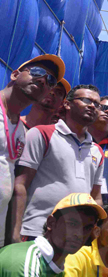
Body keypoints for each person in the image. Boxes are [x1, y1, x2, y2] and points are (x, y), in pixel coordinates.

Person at [10, 84, 105, 243]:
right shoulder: (41, 134)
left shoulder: (97, 150)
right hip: (37, 231)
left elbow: (96, 197)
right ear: (67, 104)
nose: (92, 106)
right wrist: (15, 232)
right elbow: (21, 185)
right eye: (86, 100)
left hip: (75, 240)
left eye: (97, 104)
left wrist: (90, 238)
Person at [0, 193, 105, 277]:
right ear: (51, 223)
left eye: (87, 228)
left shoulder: (57, 266)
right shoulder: (25, 260)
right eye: (72, 224)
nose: (79, 234)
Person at [1, 55, 65, 248]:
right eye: (37, 72)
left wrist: (13, 237)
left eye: (51, 80)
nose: (43, 80)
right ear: (14, 74)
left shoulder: (20, 131)